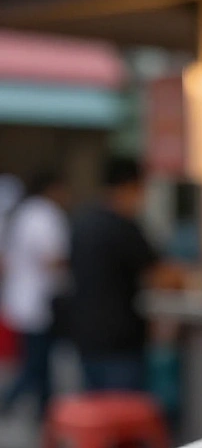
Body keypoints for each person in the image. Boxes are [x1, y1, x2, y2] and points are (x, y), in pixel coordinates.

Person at [69, 156, 158, 392]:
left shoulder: (82, 222)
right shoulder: (124, 227)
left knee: (96, 405)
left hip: (85, 335)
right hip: (121, 341)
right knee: (122, 407)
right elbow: (158, 275)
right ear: (130, 186)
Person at [0, 170, 70, 419]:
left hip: (24, 297)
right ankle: (14, 401)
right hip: (40, 300)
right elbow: (51, 258)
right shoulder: (45, 215)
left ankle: (45, 411)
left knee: (39, 362)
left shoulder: (26, 213)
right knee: (36, 363)